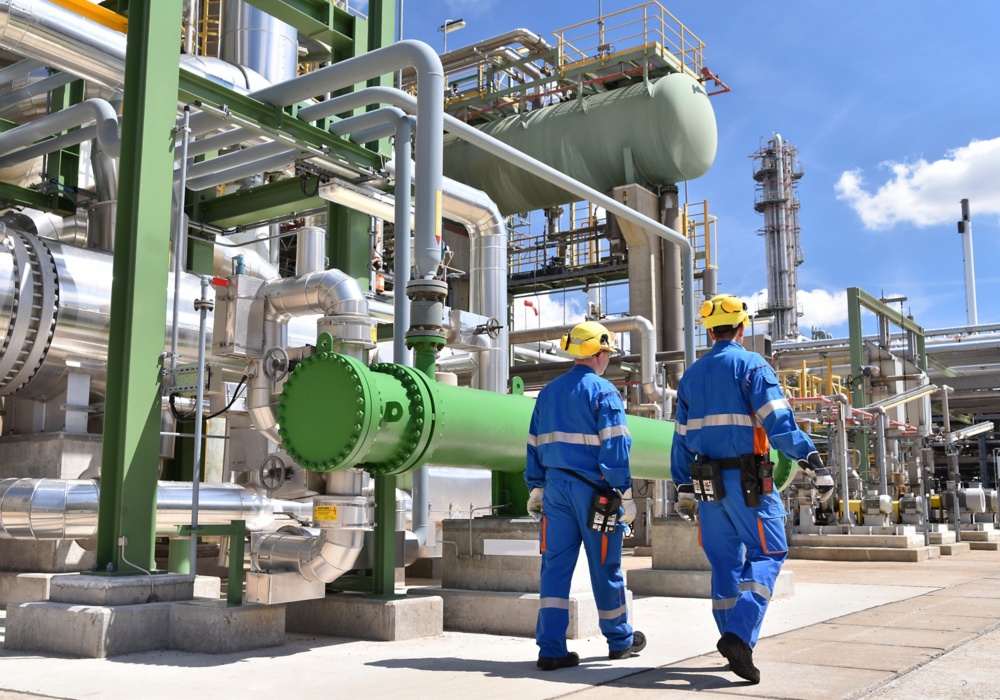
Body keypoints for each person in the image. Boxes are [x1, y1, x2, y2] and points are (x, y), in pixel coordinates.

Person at [670, 294, 834, 685]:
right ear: (743, 327)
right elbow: (778, 422)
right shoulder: (751, 365)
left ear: (709, 330)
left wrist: (682, 485)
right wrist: (813, 461)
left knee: (725, 566)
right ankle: (739, 636)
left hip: (707, 485)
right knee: (770, 551)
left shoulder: (691, 376)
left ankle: (733, 643)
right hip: (749, 484)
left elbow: (679, 440)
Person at [525, 320, 647, 671]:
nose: (607, 358)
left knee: (554, 569)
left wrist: (536, 486)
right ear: (599, 352)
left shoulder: (548, 393)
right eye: (607, 351)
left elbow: (533, 443)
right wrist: (624, 493)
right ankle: (620, 640)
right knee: (606, 566)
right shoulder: (605, 392)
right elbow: (617, 447)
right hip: (596, 493)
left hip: (555, 491)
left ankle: (550, 648)